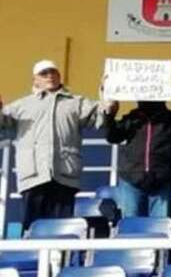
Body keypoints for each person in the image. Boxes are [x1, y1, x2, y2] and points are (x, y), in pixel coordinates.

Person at [0, 60, 115, 231]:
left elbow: (101, 116)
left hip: (64, 176)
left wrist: (109, 95)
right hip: (33, 177)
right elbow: (3, 124)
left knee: (61, 228)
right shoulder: (21, 105)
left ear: (59, 76)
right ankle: (34, 258)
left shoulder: (76, 102)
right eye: (44, 73)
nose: (50, 76)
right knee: (32, 228)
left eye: (53, 72)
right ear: (35, 80)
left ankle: (58, 258)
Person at [105, 80, 171, 217]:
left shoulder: (170, 119)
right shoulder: (132, 119)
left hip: (163, 180)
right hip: (131, 180)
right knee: (131, 230)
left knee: (161, 230)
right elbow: (112, 137)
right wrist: (110, 115)